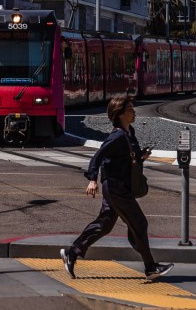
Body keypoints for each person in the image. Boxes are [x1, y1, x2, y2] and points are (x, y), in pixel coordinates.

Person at [60, 96, 173, 281]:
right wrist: (92, 179)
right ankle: (150, 266)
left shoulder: (129, 133)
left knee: (104, 224)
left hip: (119, 186)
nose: (133, 112)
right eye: (129, 109)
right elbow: (98, 156)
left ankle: (72, 253)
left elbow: (126, 157)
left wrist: (141, 156)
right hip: (115, 187)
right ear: (119, 114)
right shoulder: (117, 136)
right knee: (139, 223)